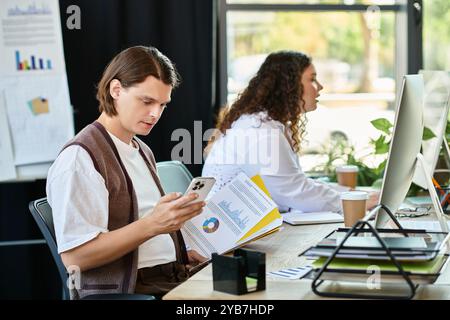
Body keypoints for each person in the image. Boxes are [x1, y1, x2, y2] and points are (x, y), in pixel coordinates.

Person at [46, 46, 206, 299]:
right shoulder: (79, 159)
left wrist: (178, 257)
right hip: (134, 290)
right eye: (147, 101)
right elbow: (75, 257)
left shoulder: (141, 149)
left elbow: (142, 227)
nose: (155, 113)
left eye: (162, 105)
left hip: (170, 278)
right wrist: (153, 224)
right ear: (116, 90)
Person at [202, 51, 378, 213]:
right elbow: (294, 192)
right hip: (228, 233)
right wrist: (355, 201)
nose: (320, 86)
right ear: (290, 86)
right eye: (312, 79)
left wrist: (353, 193)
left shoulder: (265, 122)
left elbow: (295, 185)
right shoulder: (261, 131)